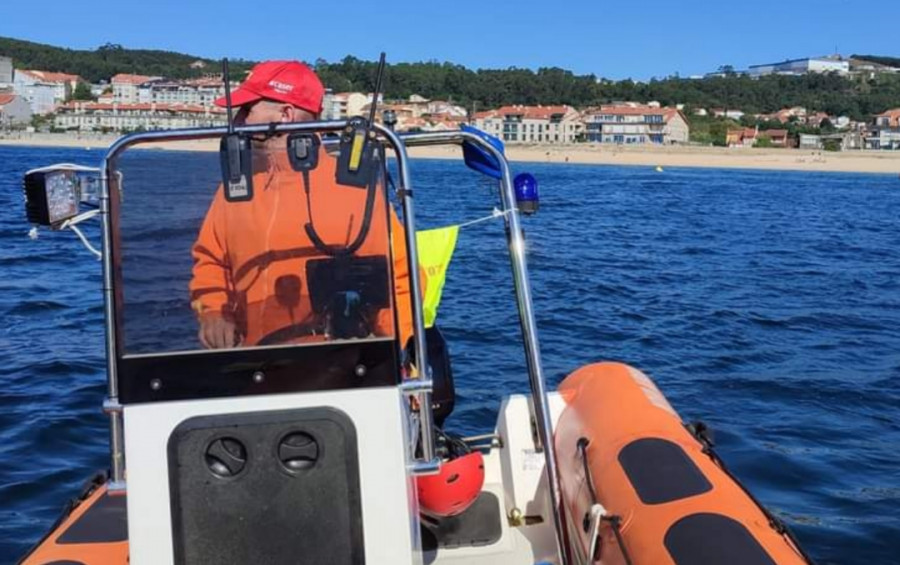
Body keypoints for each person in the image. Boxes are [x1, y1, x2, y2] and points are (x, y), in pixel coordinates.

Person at [189, 60, 420, 349]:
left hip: (340, 368)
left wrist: (387, 351)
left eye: (247, 110)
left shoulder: (353, 192)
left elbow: (403, 279)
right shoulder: (234, 191)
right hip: (254, 368)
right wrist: (212, 312)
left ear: (285, 114)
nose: (238, 122)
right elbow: (210, 261)